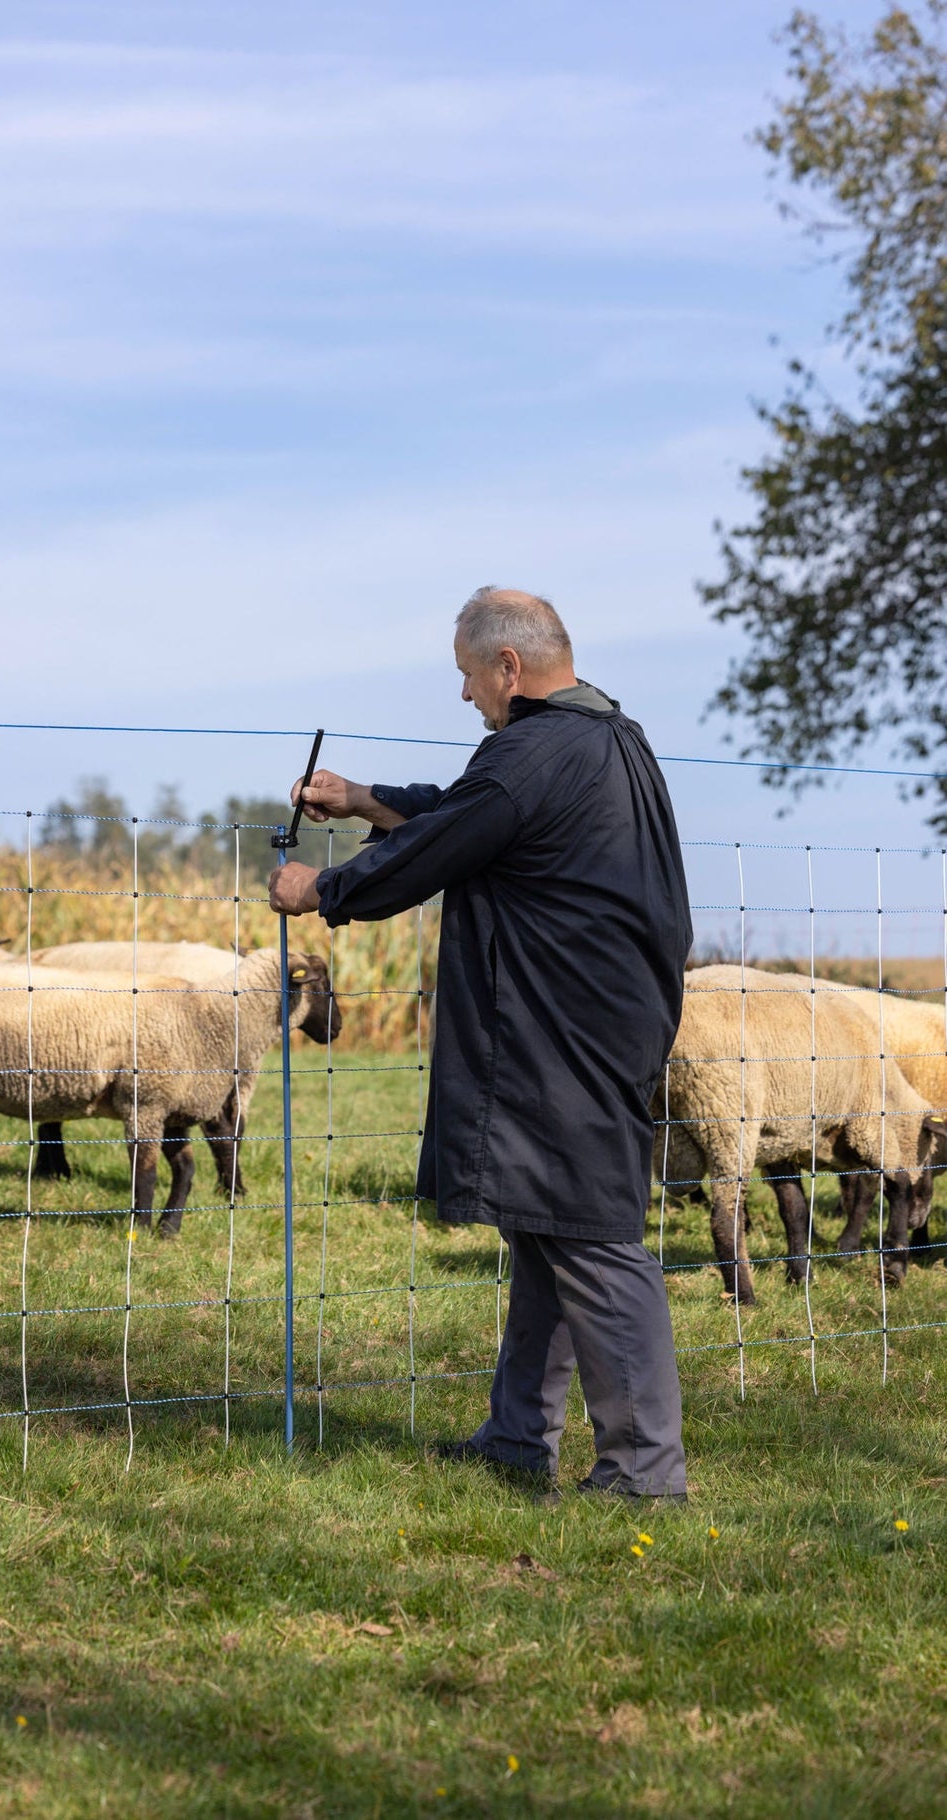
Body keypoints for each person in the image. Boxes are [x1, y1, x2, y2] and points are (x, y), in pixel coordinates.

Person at [268, 586, 692, 1501]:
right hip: (602, 1019)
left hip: (561, 1028)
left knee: (597, 1241)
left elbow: (447, 842)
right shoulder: (607, 736)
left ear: (508, 665)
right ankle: (516, 1438)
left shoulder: (532, 752)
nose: (465, 697)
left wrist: (322, 890)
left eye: (468, 676)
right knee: (547, 1229)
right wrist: (363, 798)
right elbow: (470, 813)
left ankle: (645, 1470)